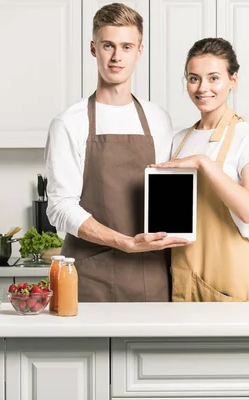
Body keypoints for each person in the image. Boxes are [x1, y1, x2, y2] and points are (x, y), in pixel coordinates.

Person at [44, 3, 188, 302]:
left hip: (149, 273)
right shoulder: (69, 122)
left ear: (140, 51)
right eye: (108, 45)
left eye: (126, 46)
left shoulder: (159, 119)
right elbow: (59, 207)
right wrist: (125, 242)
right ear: (93, 48)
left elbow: (167, 192)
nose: (116, 56)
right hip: (89, 275)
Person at [152, 38, 249, 302]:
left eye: (213, 78)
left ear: (233, 80)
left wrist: (204, 163)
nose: (202, 88)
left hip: (229, 276)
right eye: (194, 78)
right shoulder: (178, 139)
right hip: (185, 272)